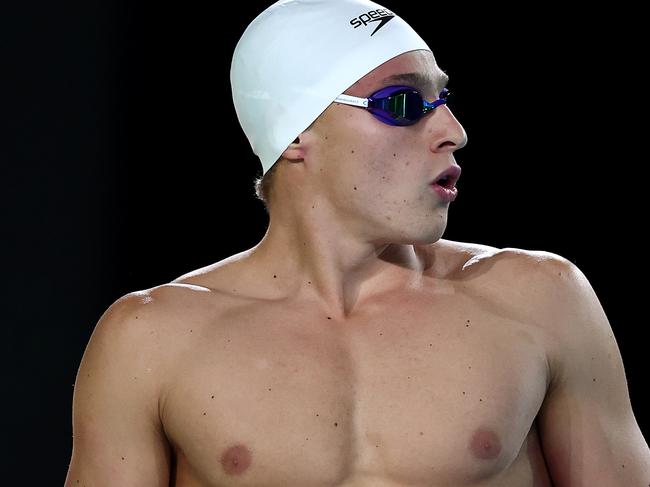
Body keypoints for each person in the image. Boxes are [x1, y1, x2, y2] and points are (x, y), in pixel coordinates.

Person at [65, 0, 650, 485]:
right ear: (296, 133)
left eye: (442, 101)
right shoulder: (150, 342)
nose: (453, 131)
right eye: (404, 105)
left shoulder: (540, 301)